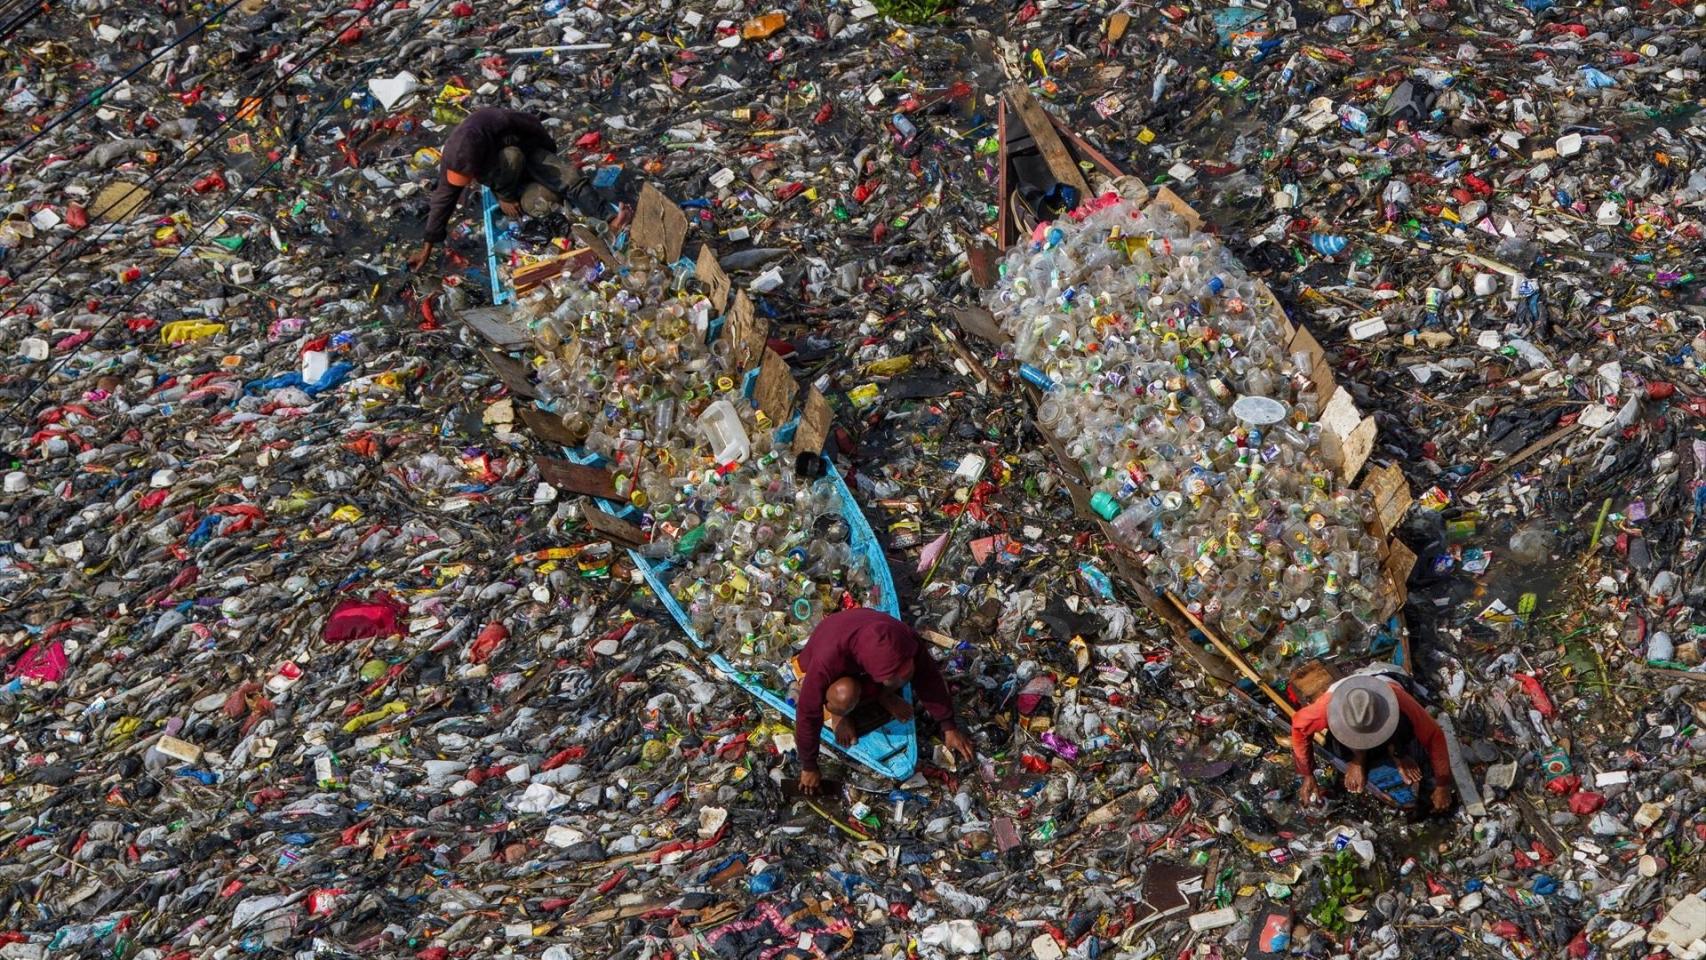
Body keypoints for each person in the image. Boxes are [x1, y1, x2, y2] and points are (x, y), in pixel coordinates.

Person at [792, 608, 974, 793]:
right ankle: (840, 713)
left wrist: (948, 725)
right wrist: (809, 765)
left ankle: (884, 695)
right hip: (839, 675)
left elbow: (928, 676)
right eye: (890, 676)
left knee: (909, 669)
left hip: (870, 669)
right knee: (844, 696)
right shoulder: (827, 658)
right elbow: (808, 713)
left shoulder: (903, 636)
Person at [406, 107, 588, 271]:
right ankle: (518, 196)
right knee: (544, 204)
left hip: (529, 156)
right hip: (504, 180)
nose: (469, 184)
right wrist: (427, 247)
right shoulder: (453, 159)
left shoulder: (499, 123)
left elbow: (534, 128)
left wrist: (549, 154)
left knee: (564, 181)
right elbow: (443, 199)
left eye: (469, 177)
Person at [1292, 673, 1454, 813]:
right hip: (1351, 722)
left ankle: (1394, 751)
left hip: (1390, 706)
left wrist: (1442, 785)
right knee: (1336, 749)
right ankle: (1359, 758)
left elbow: (1434, 736)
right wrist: (1307, 773)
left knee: (1418, 749)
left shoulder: (1397, 697)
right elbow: (1299, 729)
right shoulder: (1325, 709)